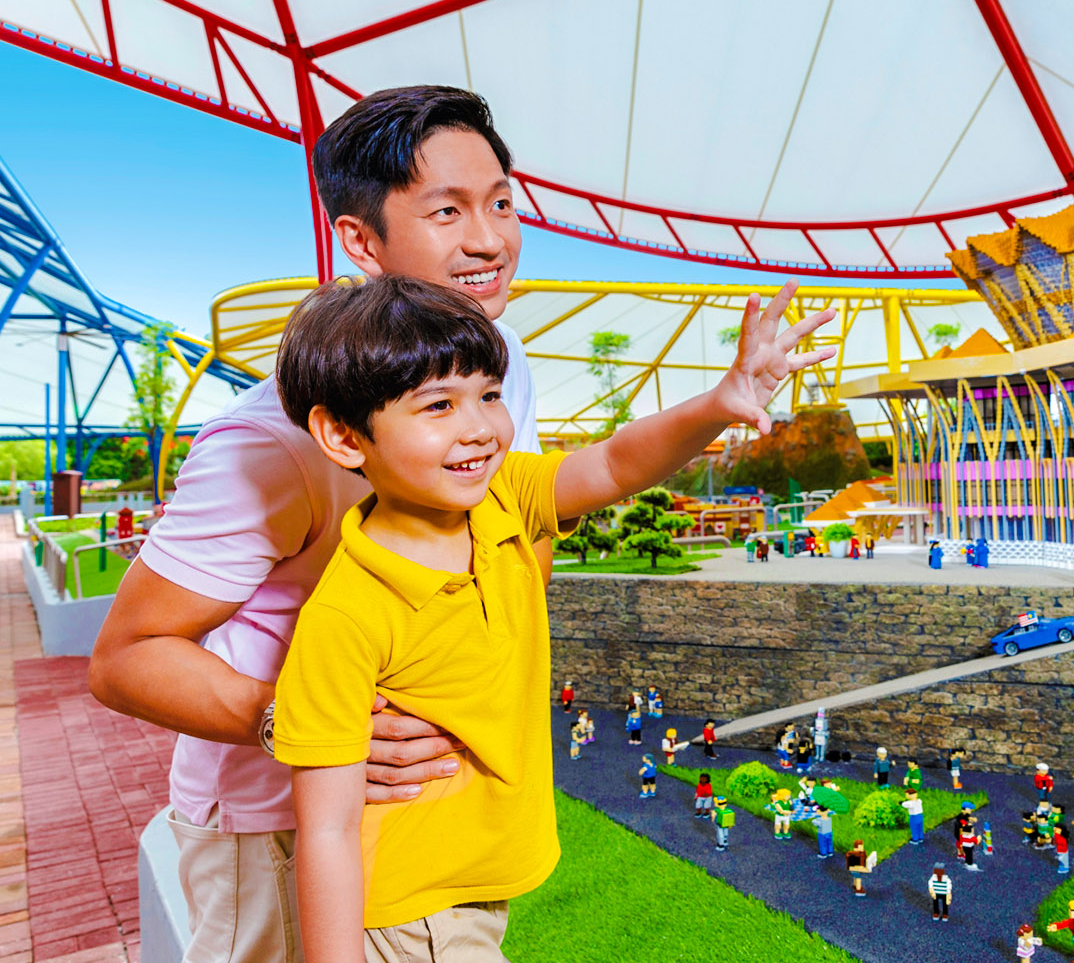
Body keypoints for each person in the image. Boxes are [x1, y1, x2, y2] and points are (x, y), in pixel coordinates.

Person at [87, 85, 557, 963]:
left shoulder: (500, 366)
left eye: (500, 202)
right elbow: (123, 661)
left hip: (430, 819)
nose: (491, 239)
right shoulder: (266, 440)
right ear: (361, 240)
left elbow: (518, 535)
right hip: (273, 825)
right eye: (447, 211)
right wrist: (297, 723)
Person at [268, 275, 832, 957]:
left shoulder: (503, 496)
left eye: (490, 395)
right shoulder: (348, 612)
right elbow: (324, 829)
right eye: (438, 404)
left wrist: (721, 402)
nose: (480, 427)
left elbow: (618, 462)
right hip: (409, 912)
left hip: (470, 889)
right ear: (342, 434)